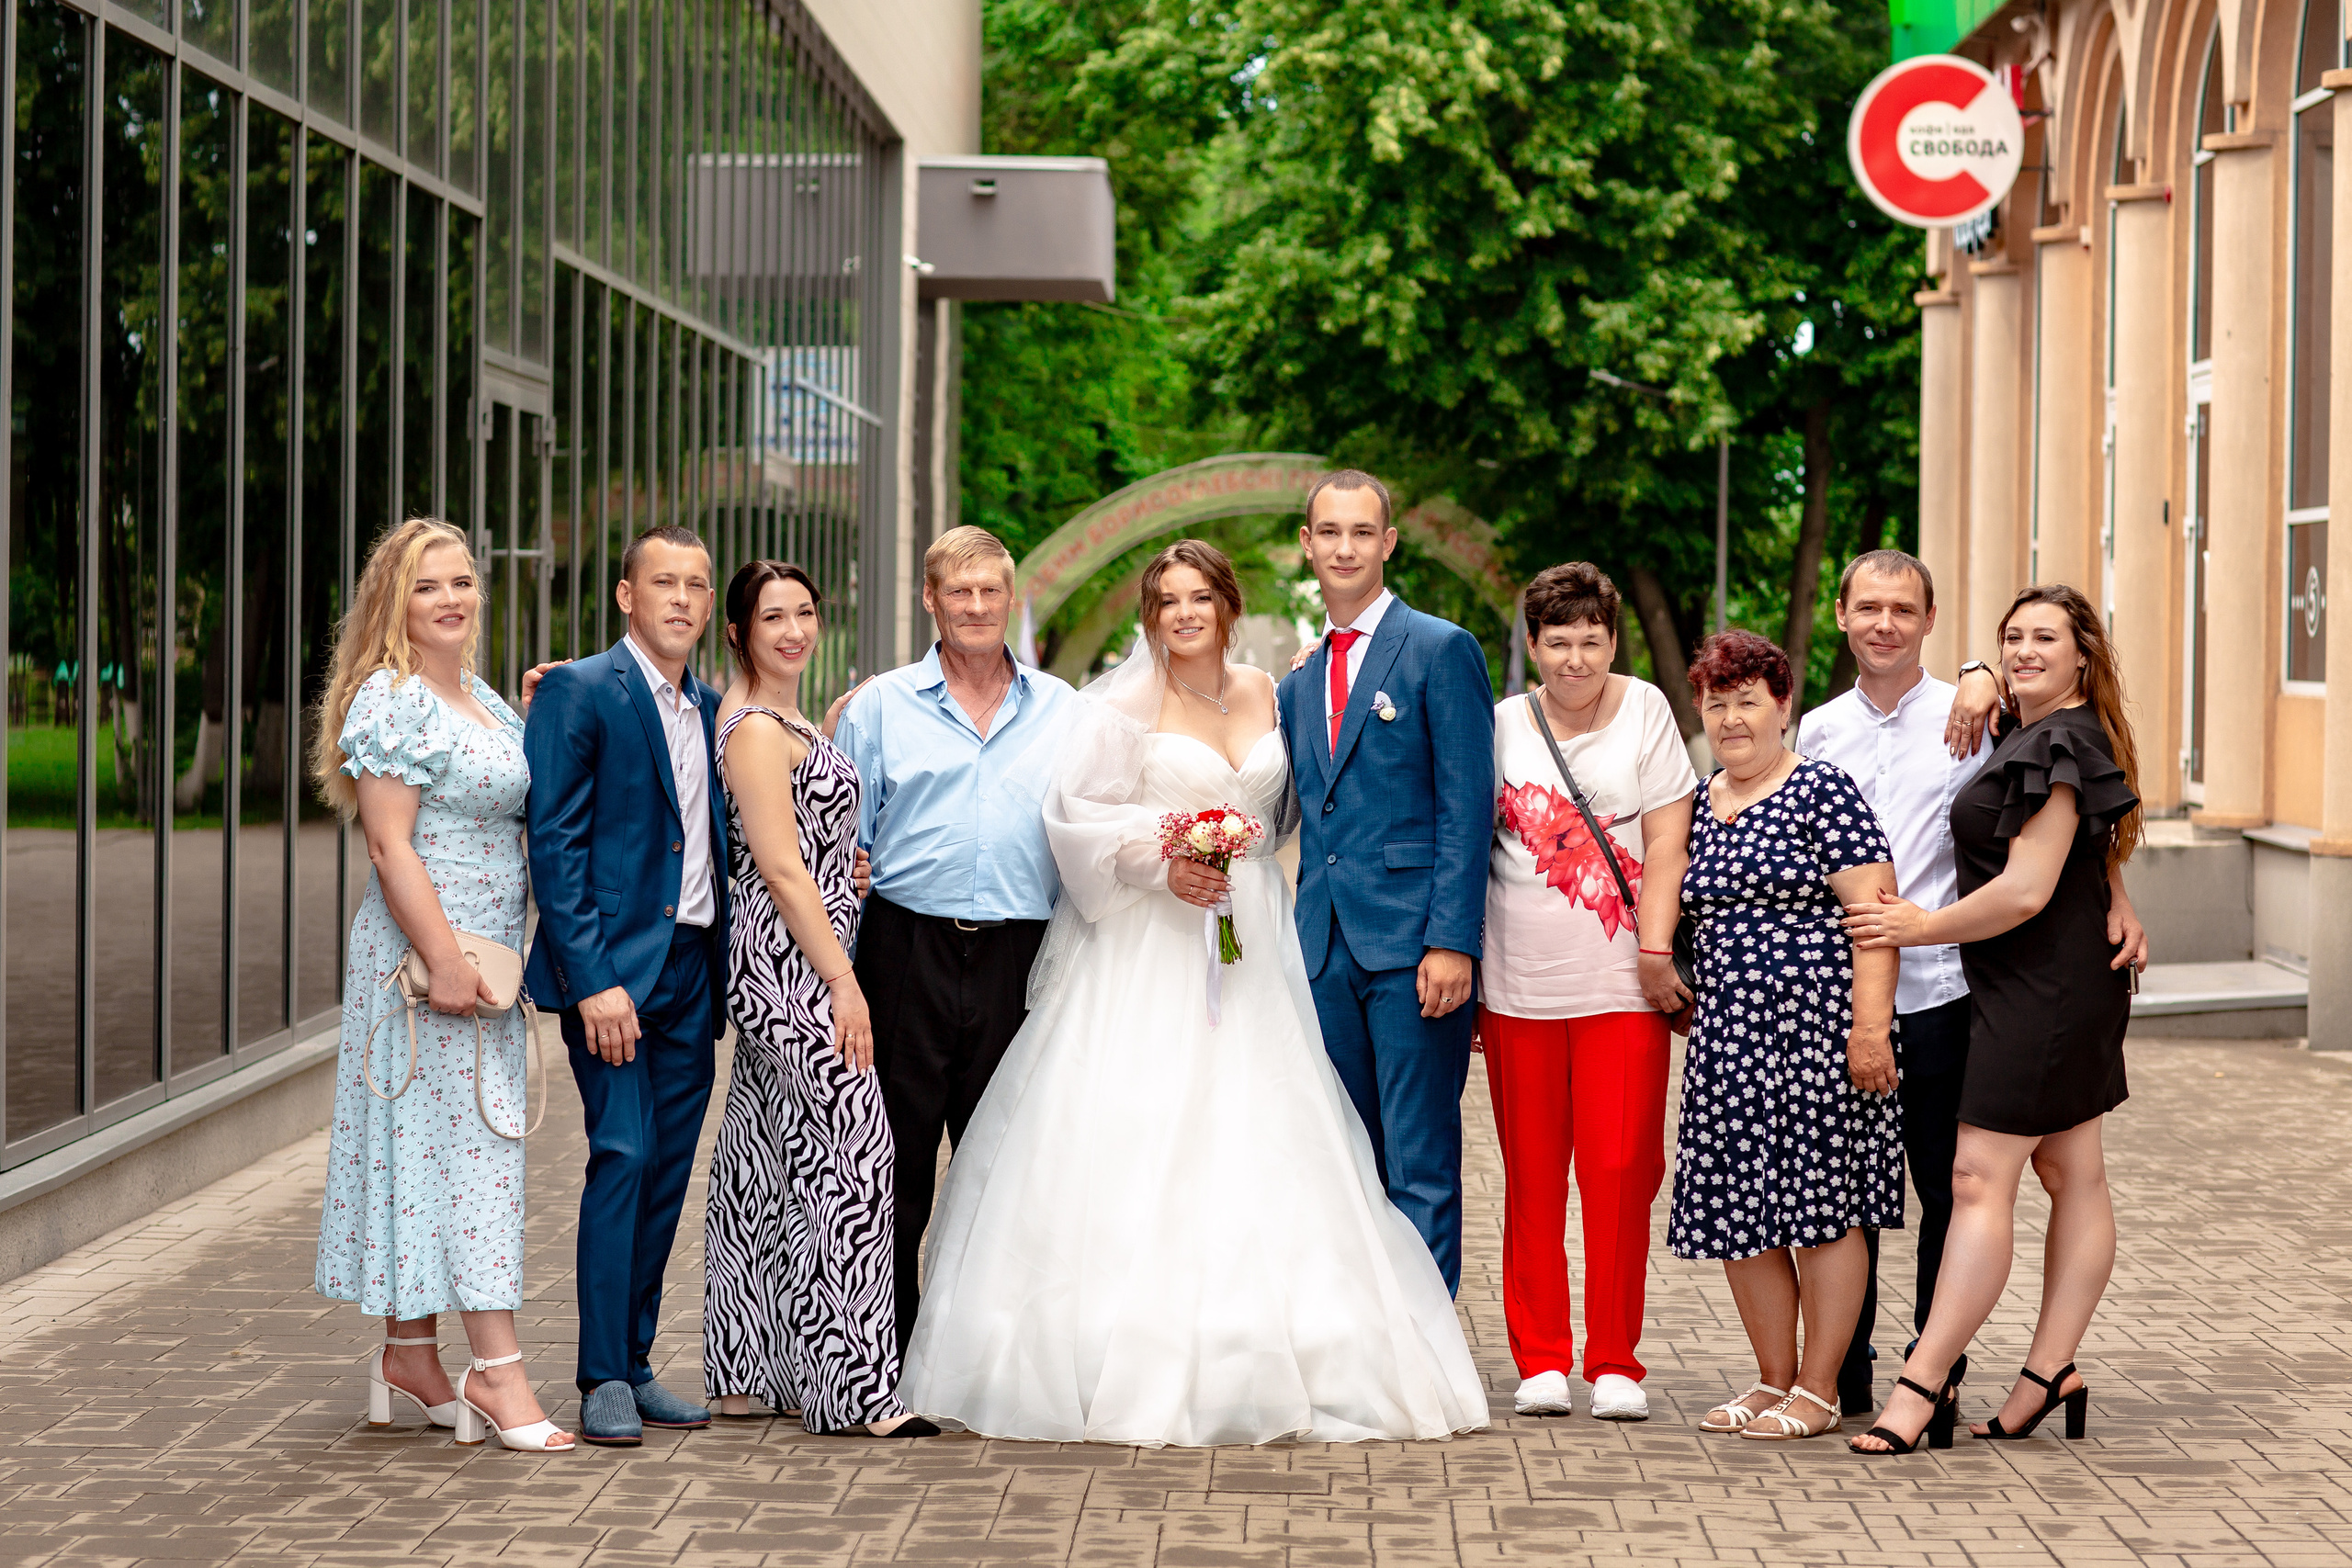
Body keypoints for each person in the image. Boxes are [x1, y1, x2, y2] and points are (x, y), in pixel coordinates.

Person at [898, 540, 1486, 1446]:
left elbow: (1296, 804)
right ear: (1149, 614)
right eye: (1166, 599)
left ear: (1225, 602)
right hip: (1152, 942)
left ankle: (1273, 1339)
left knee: (1267, 1127)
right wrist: (1160, 857)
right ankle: (1120, 1345)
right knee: (1145, 1126)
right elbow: (1075, 820)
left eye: (1199, 596)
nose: (1182, 613)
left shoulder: (1273, 692)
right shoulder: (1120, 707)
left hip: (1254, 934)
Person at [1798, 550, 2148, 1420]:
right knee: (2072, 1171)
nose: (2026, 650)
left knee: (1973, 1180)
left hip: (1991, 982)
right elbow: (2071, 836)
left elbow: (2038, 874)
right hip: (1978, 979)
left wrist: (1919, 925)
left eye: (2046, 638)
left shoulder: (2010, 727)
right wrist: (1986, 672)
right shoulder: (1835, 728)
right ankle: (2044, 1371)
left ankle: (1928, 1379)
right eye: (2013, 637)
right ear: (1840, 614)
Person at [311, 517, 571, 1453]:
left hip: (480, 965)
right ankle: (497, 1373)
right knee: (470, 1161)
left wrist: (540, 710)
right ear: (395, 601)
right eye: (428, 587)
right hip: (426, 969)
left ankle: (409, 1357)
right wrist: (449, 962)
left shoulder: (481, 700)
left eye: (463, 581)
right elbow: (388, 846)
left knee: (434, 1160)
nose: (451, 599)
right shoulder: (394, 700)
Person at [831, 525, 1080, 1357]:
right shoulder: (878, 707)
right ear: (930, 601)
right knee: (896, 1170)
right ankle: (888, 1352)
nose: (975, 607)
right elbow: (842, 843)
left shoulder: (1065, 712)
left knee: (1004, 1166)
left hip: (1020, 955)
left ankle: (982, 1356)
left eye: (990, 592)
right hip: (905, 951)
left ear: (1011, 600)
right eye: (958, 591)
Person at [700, 560, 935, 1438]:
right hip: (790, 965)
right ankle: (859, 1389)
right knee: (858, 1157)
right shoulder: (756, 728)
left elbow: (816, 838)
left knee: (762, 1160)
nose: (794, 629)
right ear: (740, 631)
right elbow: (778, 864)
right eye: (773, 616)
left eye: (804, 611)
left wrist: (852, 867)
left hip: (806, 946)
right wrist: (843, 979)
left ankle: (742, 1368)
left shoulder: (791, 720)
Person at [523, 525, 730, 1448]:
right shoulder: (579, 690)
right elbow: (554, 845)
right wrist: (593, 981)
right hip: (613, 975)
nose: (680, 599)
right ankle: (600, 1373)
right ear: (625, 596)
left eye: (695, 585)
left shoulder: (712, 707)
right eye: (662, 583)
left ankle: (638, 1361)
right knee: (621, 1153)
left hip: (693, 967)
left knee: (667, 1169)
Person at [1669, 629, 1902, 1442]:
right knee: (1742, 1208)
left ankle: (1820, 1385)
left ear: (1783, 705)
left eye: (1747, 701)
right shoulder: (1697, 802)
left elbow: (1875, 917)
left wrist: (1870, 1030)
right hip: (1729, 1038)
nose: (1731, 718)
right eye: (1717, 701)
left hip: (1819, 1034)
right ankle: (1772, 1377)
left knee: (1822, 1210)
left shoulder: (1822, 791)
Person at [1478, 562, 1692, 1424]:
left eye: (1591, 641)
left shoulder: (1645, 709)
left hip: (1622, 983)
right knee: (1532, 1177)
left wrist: (1655, 947)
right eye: (1558, 641)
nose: (1575, 659)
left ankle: (1613, 1356)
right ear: (1532, 645)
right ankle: (1538, 1358)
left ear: (1613, 642)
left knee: (1619, 1171)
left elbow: (1669, 842)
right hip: (1517, 981)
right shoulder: (1496, 725)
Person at [1275, 470, 1495, 1295]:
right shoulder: (1298, 682)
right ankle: (1368, 1347)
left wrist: (1451, 940)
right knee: (1344, 1160)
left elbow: (1467, 807)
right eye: (1328, 532)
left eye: (1361, 532)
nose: (1344, 547)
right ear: (1307, 543)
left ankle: (1429, 1355)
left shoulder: (1441, 648)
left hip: (1414, 952)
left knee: (1421, 1159)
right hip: (1324, 948)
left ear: (1388, 543)